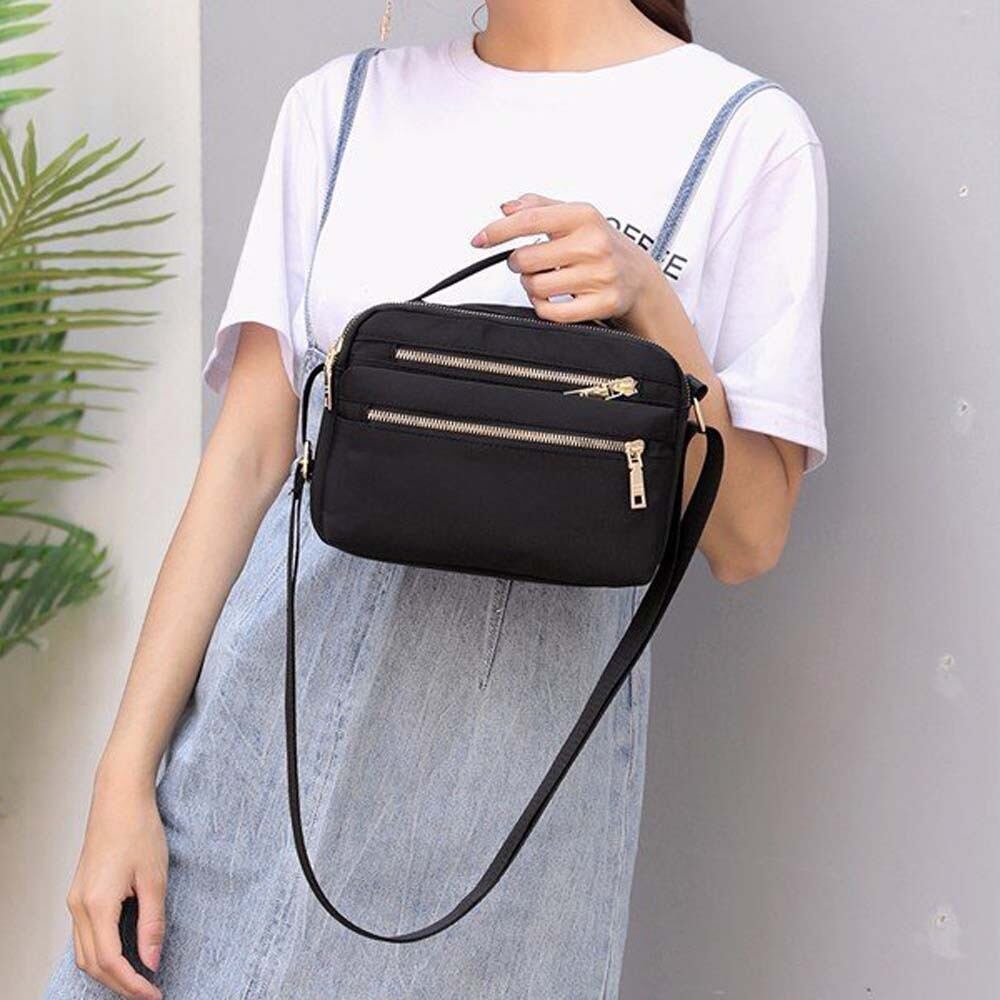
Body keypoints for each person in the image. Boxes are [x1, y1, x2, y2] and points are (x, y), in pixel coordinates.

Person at [45, 1, 828, 997]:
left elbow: (749, 537)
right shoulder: (338, 107)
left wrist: (649, 305)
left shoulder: (744, 136)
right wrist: (123, 777)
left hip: (504, 817)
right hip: (256, 756)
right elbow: (244, 460)